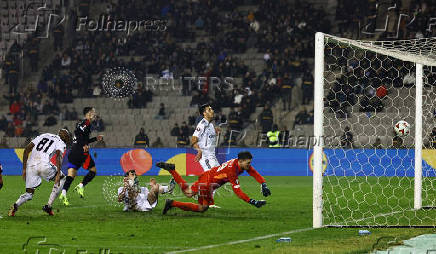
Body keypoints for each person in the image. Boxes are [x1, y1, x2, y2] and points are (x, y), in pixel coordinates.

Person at [156, 151, 271, 214]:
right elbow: (238, 192)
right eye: (248, 163)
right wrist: (252, 202)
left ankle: (171, 199)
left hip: (209, 178)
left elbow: (253, 172)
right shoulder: (232, 171)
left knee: (196, 200)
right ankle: (171, 199)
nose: (249, 165)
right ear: (240, 161)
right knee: (197, 202)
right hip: (208, 183)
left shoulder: (239, 164)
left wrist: (263, 183)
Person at [8, 129, 71, 216]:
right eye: (68, 138)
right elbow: (59, 155)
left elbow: (27, 149)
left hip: (31, 166)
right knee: (62, 178)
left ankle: (15, 206)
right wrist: (58, 172)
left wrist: (24, 169)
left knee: (29, 193)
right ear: (66, 138)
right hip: (44, 165)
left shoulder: (44, 135)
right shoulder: (61, 142)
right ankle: (48, 206)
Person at [59, 107, 104, 206]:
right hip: (80, 152)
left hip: (73, 151)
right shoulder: (86, 122)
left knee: (71, 175)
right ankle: (81, 185)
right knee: (93, 171)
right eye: (92, 112)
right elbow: (77, 133)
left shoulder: (83, 124)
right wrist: (84, 145)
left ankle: (63, 193)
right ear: (88, 114)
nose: (94, 113)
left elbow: (81, 137)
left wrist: (95, 139)